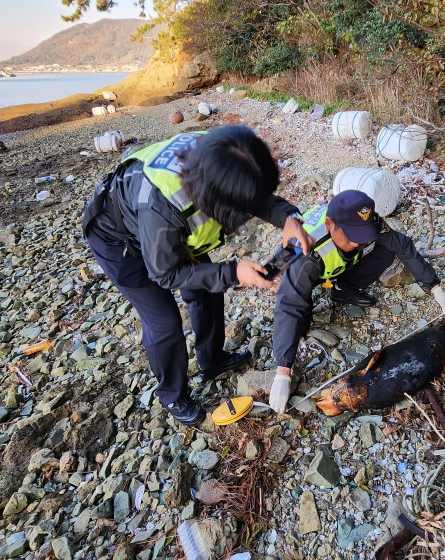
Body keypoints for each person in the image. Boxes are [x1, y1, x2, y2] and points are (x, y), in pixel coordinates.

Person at [82, 126, 313, 427]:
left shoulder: (226, 152)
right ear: (216, 200)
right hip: (119, 241)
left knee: (208, 291)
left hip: (170, 232)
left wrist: (289, 218)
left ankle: (212, 359)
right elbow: (166, 273)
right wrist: (234, 271)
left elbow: (253, 194)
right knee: (163, 321)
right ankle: (172, 395)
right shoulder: (164, 206)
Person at [268, 189, 445, 413]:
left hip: (336, 264)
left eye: (361, 235)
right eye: (350, 236)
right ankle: (324, 294)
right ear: (329, 224)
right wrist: (283, 372)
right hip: (310, 267)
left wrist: (434, 286)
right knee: (300, 317)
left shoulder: (364, 219)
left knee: (386, 249)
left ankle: (341, 289)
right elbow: (289, 305)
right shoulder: (305, 251)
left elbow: (401, 246)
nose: (357, 243)